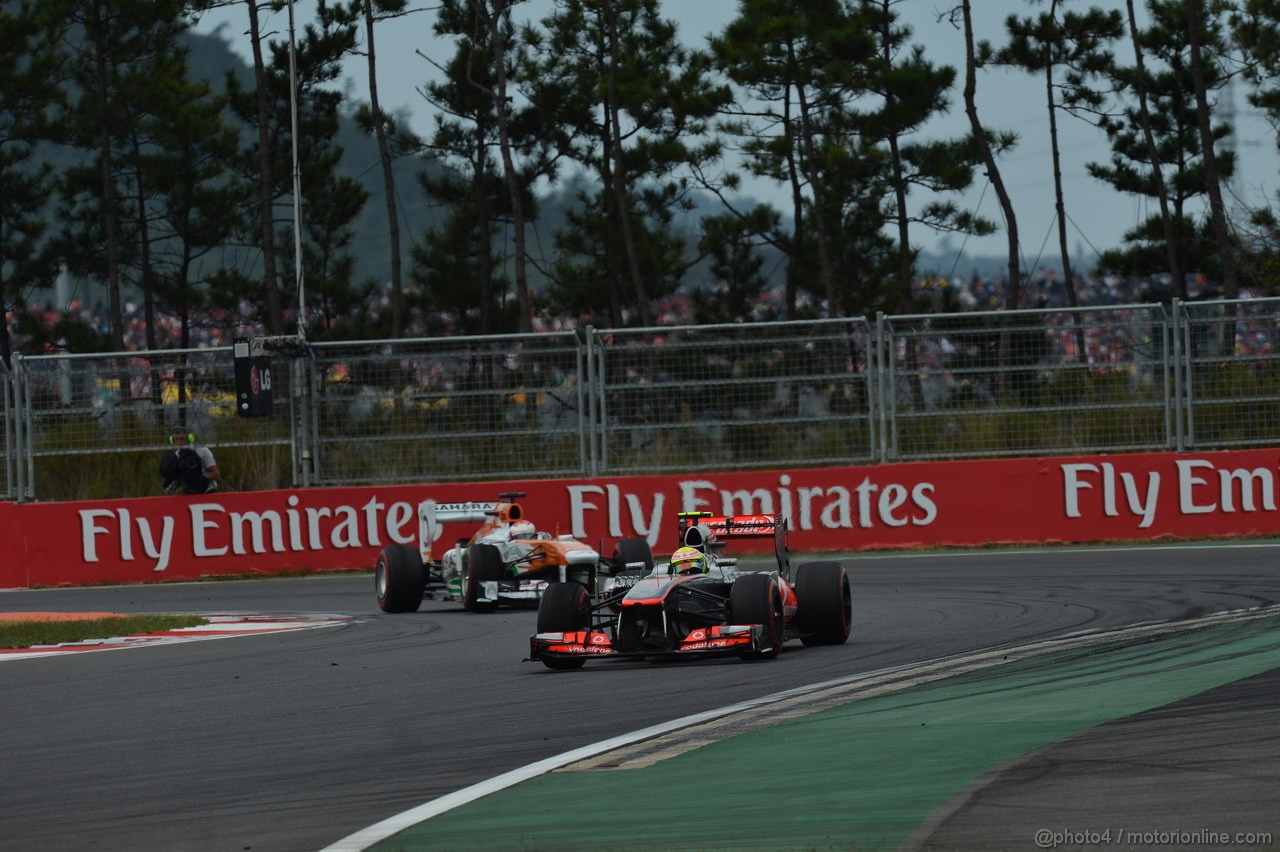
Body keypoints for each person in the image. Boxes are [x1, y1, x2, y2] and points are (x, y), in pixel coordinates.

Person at [160, 429, 219, 494]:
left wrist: (199, 476)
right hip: (189, 494)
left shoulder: (203, 451)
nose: (179, 442)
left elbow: (215, 474)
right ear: (173, 441)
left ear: (189, 438)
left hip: (208, 491)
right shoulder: (176, 456)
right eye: (177, 439)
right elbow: (177, 478)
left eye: (182, 439)